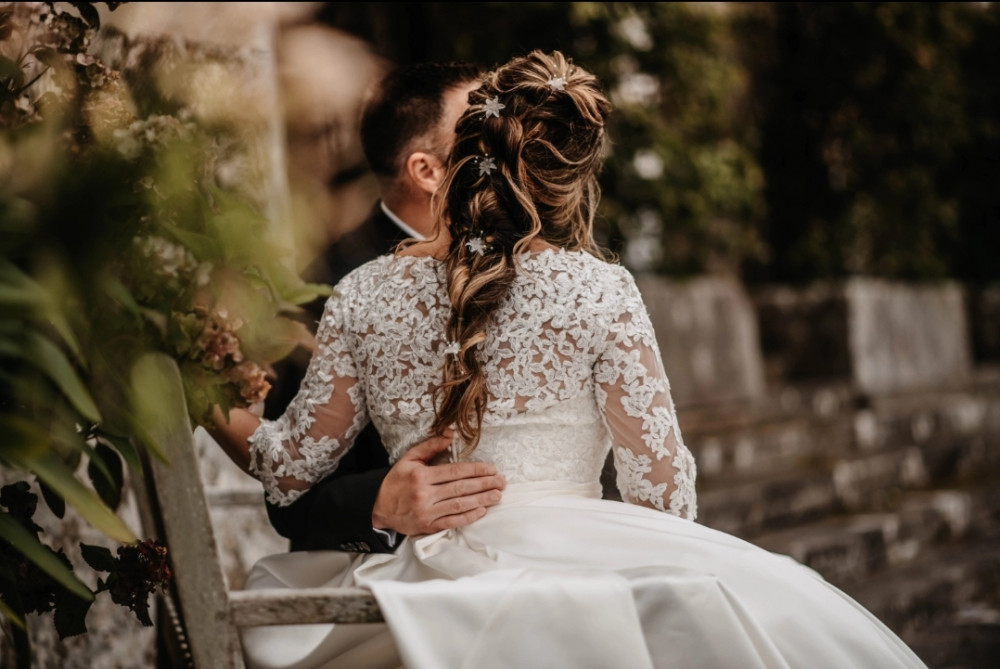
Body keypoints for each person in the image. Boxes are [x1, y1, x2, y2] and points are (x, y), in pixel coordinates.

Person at [209, 50, 927, 668]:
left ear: (451, 170)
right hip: (583, 560)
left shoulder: (362, 291)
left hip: (422, 583)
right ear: (563, 179)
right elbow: (663, 492)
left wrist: (203, 394)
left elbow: (287, 465)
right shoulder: (600, 289)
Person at [260, 61, 502, 553]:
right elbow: (289, 495)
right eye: (484, 123)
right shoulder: (324, 288)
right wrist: (377, 503)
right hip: (396, 572)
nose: (509, 135)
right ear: (427, 171)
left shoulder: (546, 261)